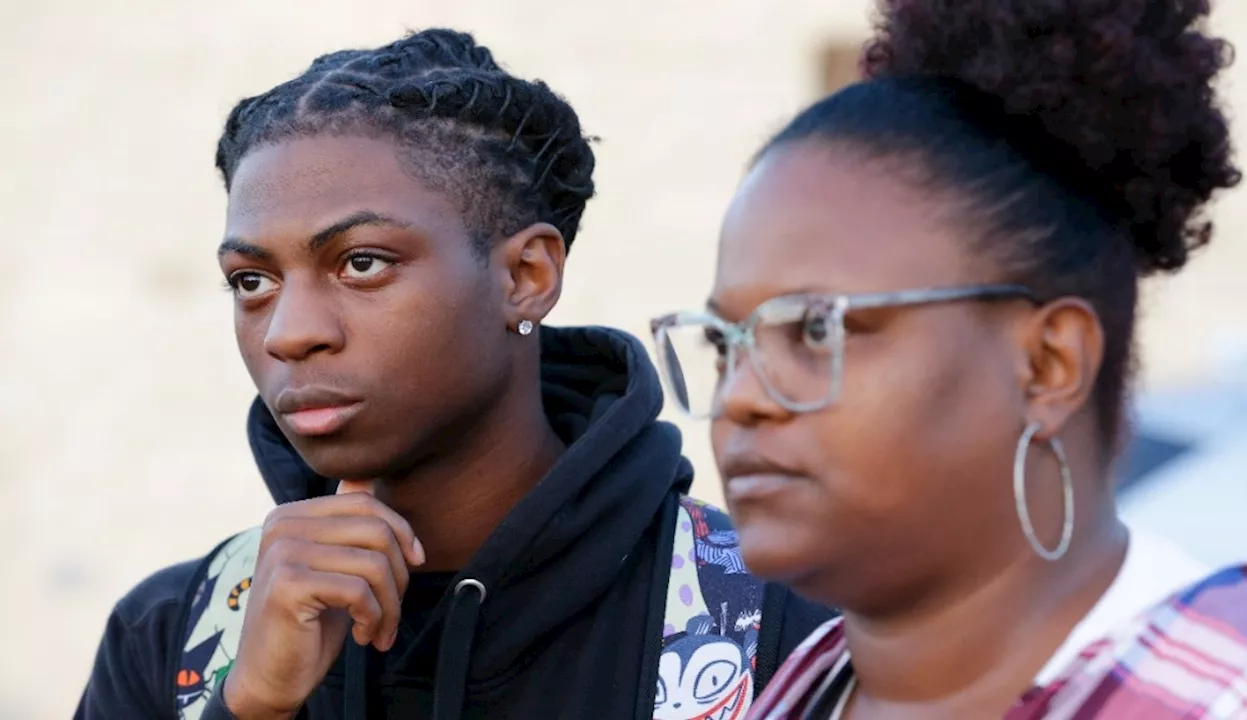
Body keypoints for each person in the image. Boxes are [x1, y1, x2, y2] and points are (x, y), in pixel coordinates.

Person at [76, 28, 834, 720]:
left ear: (526, 276)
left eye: (361, 263)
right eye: (252, 282)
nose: (288, 332)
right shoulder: (175, 637)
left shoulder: (773, 631)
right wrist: (250, 707)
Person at [649, 0, 1247, 717]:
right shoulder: (803, 685)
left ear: (1049, 365)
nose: (739, 398)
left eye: (814, 331)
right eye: (724, 342)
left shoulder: (1228, 697)